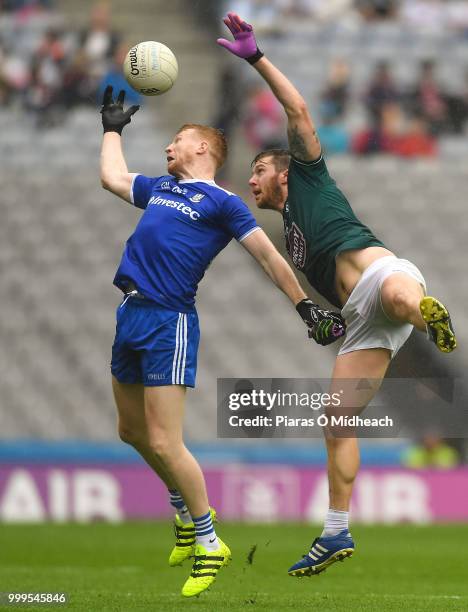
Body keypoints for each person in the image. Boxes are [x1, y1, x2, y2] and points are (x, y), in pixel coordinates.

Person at [217, 12, 457, 577]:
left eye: (257, 170)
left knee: (400, 297)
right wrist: (318, 317)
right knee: (335, 421)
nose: (251, 182)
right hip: (359, 318)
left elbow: (297, 111)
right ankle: (335, 531)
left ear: (282, 170)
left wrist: (257, 59)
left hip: (382, 275)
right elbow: (300, 284)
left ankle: (427, 313)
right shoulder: (292, 238)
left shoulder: (308, 174)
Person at [99, 86, 346, 597]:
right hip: (131, 312)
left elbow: (269, 258)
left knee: (166, 439)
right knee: (131, 433)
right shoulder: (161, 190)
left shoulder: (224, 203)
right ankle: (184, 512)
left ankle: (209, 540)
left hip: (170, 320)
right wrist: (111, 129)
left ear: (203, 149)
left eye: (177, 140)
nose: (168, 147)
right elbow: (112, 177)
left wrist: (304, 305)